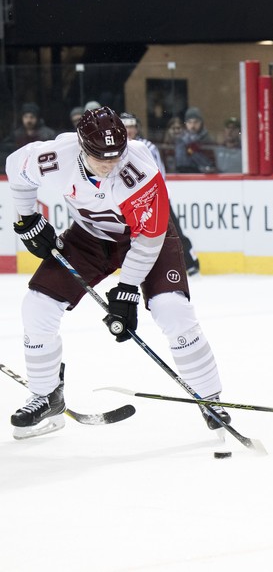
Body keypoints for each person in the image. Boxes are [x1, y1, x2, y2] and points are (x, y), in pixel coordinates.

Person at [4, 106, 229, 438]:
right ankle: (45, 394)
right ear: (82, 147)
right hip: (89, 237)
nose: (110, 164)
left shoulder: (139, 169)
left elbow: (149, 238)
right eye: (100, 158)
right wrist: (27, 220)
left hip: (147, 238)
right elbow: (15, 167)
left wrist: (126, 290)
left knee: (172, 310)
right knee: (37, 305)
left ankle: (210, 398)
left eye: (116, 156)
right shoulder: (55, 157)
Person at [121, 112, 201, 276]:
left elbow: (160, 173)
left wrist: (158, 196)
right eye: (125, 126)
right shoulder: (116, 150)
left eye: (132, 126)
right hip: (131, 201)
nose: (129, 130)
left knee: (173, 231)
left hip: (156, 198)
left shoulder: (147, 147)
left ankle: (190, 262)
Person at [175, 107, 217, 173]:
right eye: (189, 122)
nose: (192, 125)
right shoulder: (181, 140)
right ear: (185, 124)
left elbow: (210, 164)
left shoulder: (208, 140)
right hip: (184, 177)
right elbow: (180, 164)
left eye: (196, 122)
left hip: (203, 177)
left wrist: (191, 151)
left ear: (201, 123)